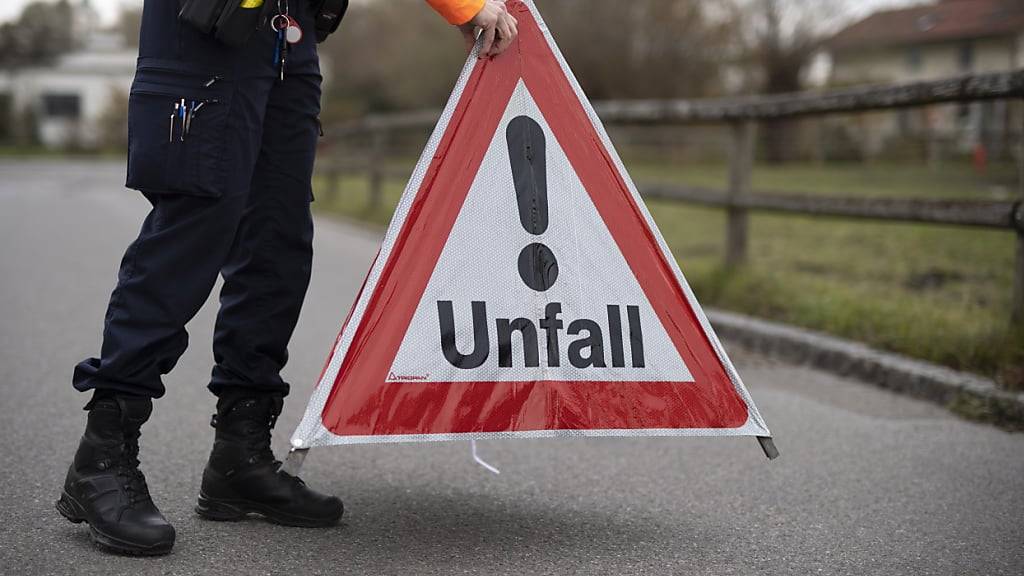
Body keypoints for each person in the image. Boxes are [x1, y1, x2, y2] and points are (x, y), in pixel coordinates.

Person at [55, 0, 519, 557]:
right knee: (193, 233)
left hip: (286, 35)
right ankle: (103, 454)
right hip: (210, 25)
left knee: (278, 243)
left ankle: (240, 455)